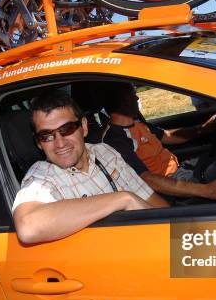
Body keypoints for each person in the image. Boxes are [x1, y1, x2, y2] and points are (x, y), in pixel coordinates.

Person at [12, 90, 168, 244]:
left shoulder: (106, 152)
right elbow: (28, 226)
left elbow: (155, 204)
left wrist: (176, 236)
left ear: (84, 127)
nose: (60, 143)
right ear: (39, 143)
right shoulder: (41, 177)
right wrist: (123, 199)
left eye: (67, 129)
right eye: (46, 136)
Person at [102, 83, 216, 203]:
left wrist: (202, 129)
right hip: (170, 185)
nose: (137, 98)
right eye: (134, 94)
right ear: (125, 100)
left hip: (179, 170)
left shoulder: (137, 124)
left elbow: (168, 135)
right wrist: (206, 190)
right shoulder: (115, 140)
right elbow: (147, 179)